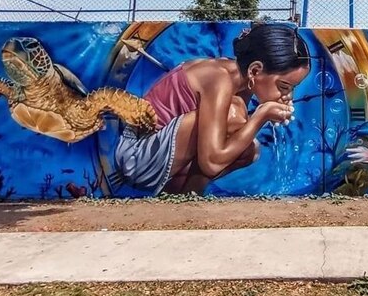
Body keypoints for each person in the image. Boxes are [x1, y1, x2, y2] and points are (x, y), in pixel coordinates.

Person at [115, 23, 311, 195]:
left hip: (162, 158)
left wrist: (259, 117)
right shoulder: (219, 78)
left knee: (248, 149)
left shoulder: (243, 83)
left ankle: (186, 197)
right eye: (284, 87)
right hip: (136, 159)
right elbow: (211, 163)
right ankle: (187, 195)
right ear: (255, 71)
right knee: (234, 118)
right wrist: (261, 116)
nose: (288, 96)